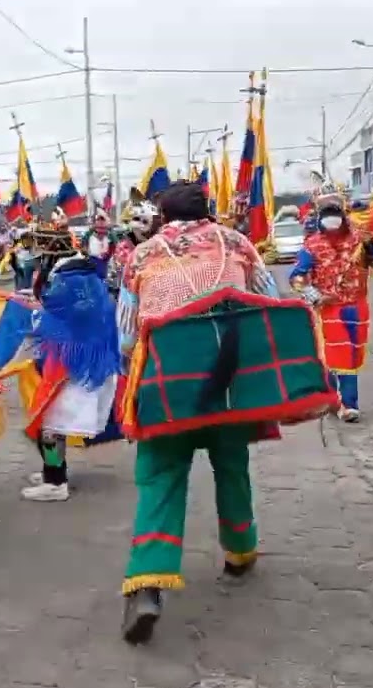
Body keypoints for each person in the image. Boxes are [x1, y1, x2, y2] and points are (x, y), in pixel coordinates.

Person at [115, 181, 279, 644]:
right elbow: (268, 301)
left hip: (166, 384)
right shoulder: (239, 244)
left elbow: (127, 338)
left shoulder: (141, 256)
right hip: (230, 382)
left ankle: (146, 585)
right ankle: (240, 551)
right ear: (207, 212)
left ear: (163, 216)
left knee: (160, 479)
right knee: (232, 467)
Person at [21, 213, 119, 502]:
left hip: (76, 366)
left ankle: (55, 482)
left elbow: (61, 317)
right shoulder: (82, 274)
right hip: (82, 362)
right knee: (50, 422)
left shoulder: (68, 279)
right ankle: (54, 470)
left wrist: (35, 315)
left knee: (48, 422)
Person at [289, 183, 373, 422]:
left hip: (357, 305)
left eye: (335, 215)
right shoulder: (312, 245)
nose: (332, 221)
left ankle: (333, 397)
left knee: (351, 355)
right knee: (339, 354)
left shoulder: (361, 239)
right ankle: (348, 404)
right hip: (329, 308)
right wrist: (315, 296)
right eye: (327, 215)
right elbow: (297, 278)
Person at [80, 208, 116, 278]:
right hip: (91, 261)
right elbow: (83, 244)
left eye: (102, 219)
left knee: (101, 279)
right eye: (98, 219)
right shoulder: (90, 234)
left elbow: (115, 244)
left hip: (103, 262)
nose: (100, 222)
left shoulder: (109, 235)